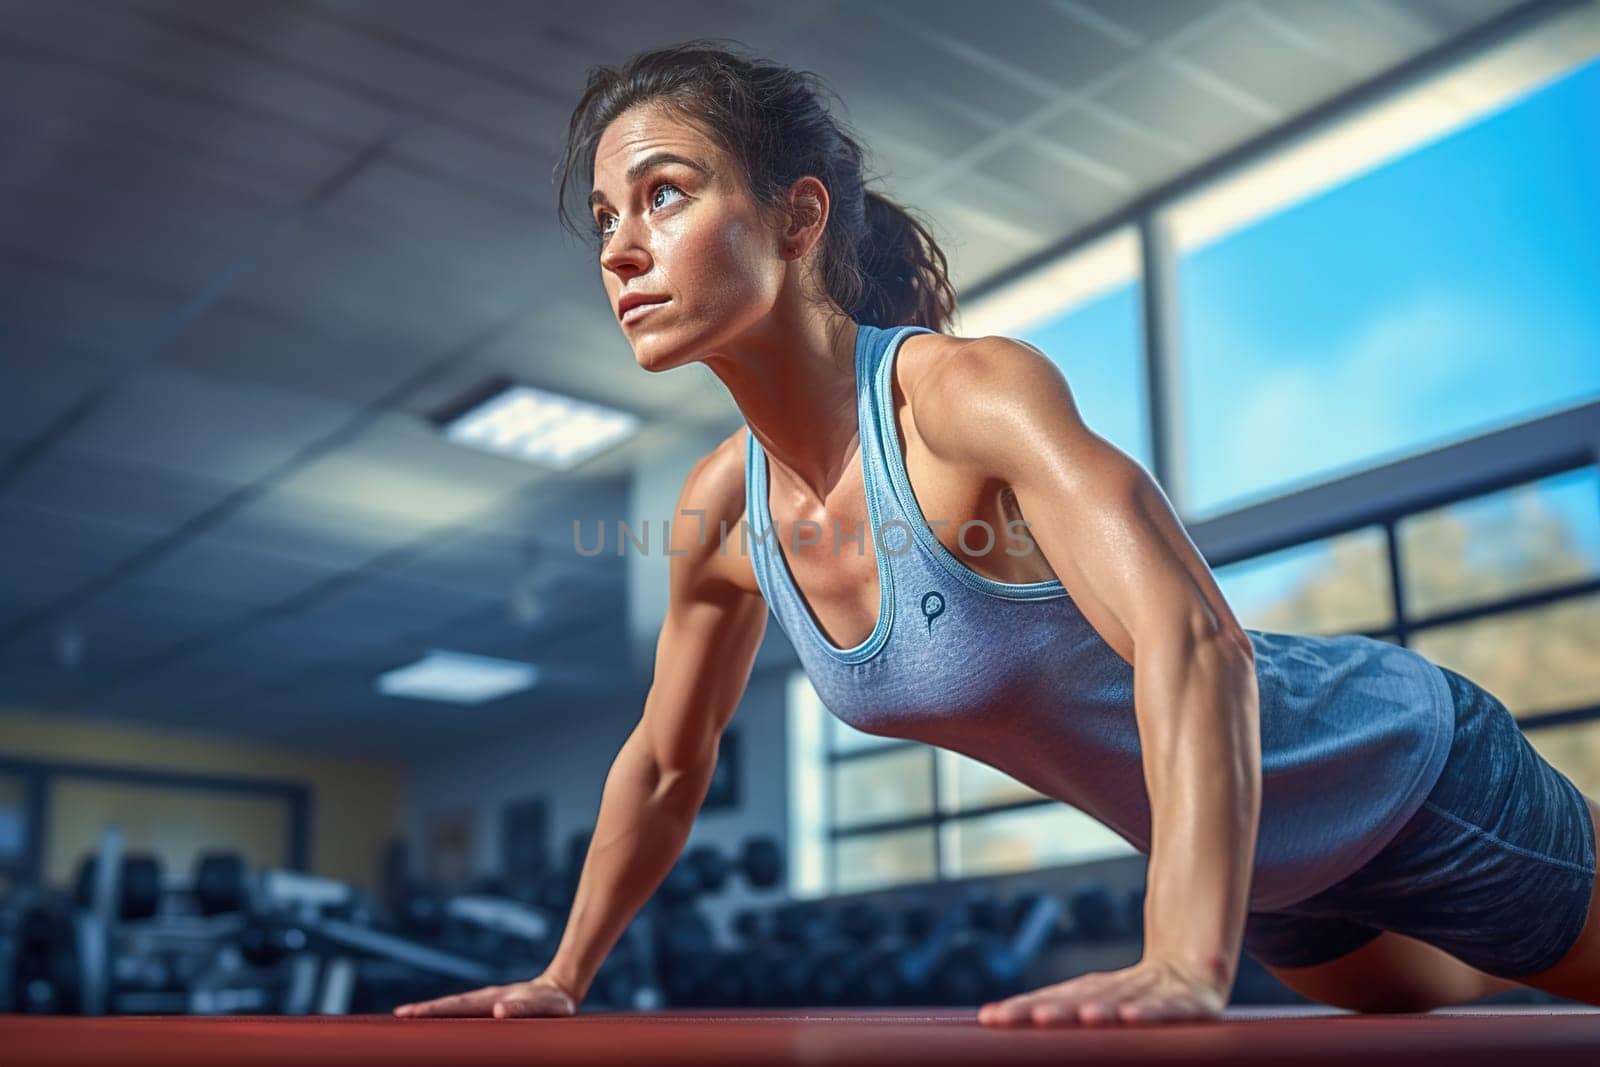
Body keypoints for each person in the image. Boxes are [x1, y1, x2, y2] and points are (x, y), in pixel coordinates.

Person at [394, 39, 1600, 1025]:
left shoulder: (966, 397)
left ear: (797, 216)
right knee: (1461, 1009)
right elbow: (664, 764)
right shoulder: (721, 511)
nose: (617, 247)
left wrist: (1182, 955)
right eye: (606, 213)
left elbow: (1194, 641)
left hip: (1403, 774)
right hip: (1271, 880)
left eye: (664, 193)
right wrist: (561, 977)